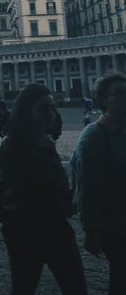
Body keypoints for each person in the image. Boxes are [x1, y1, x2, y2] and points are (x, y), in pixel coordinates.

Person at [0, 83, 88, 295]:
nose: (50, 114)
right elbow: (23, 188)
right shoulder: (12, 145)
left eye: (52, 108)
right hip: (25, 231)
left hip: (56, 227)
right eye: (43, 108)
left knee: (75, 287)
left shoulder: (47, 142)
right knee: (24, 288)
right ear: (27, 111)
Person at [72, 72, 126, 295]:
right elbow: (86, 185)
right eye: (120, 93)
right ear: (102, 100)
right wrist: (91, 230)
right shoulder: (93, 134)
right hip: (113, 224)